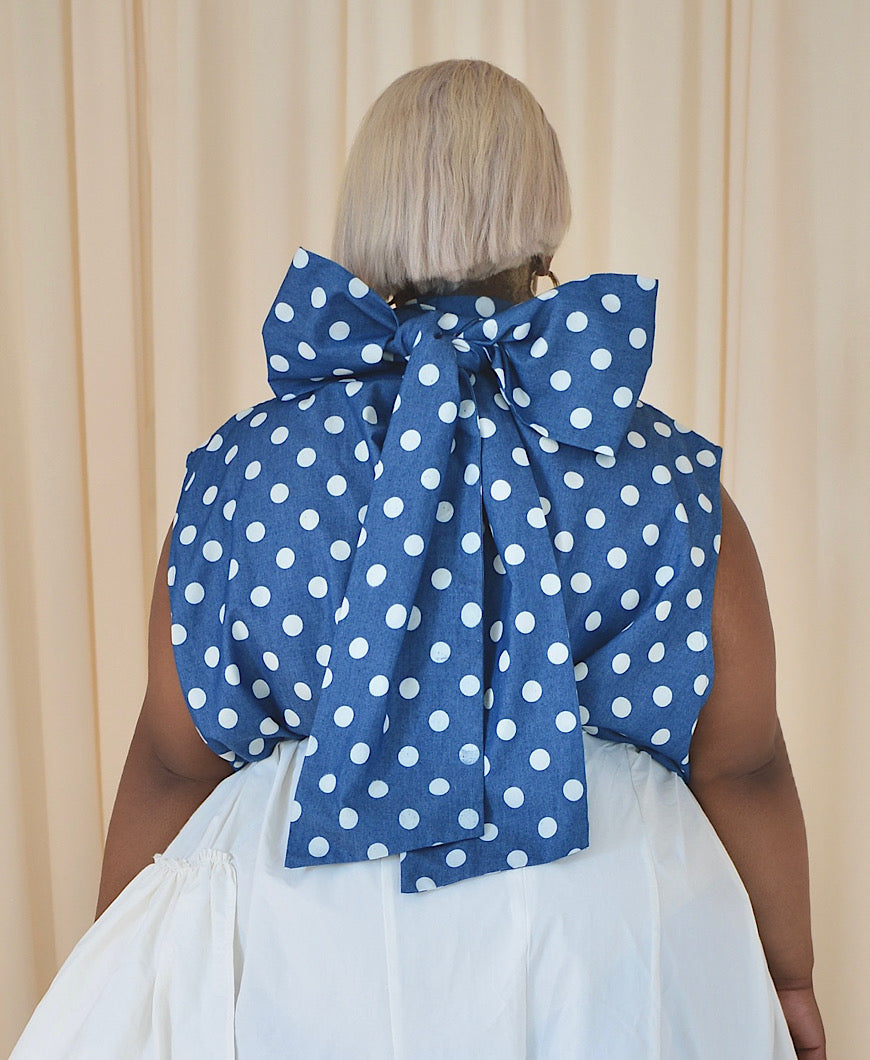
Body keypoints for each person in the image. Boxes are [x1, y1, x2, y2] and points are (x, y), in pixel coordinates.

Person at [11, 59, 824, 1059]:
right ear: (545, 220)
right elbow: (741, 760)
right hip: (611, 956)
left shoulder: (248, 472)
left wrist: (112, 973)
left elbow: (176, 756)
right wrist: (790, 975)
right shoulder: (655, 471)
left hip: (300, 960)